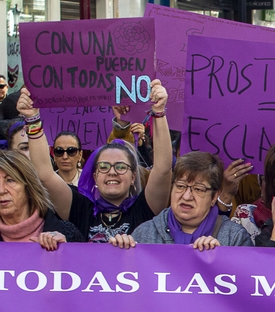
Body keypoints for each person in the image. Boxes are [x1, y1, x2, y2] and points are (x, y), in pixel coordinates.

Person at [18, 84, 172, 243]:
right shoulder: (81, 209)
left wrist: (159, 112)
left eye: (120, 166)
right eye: (104, 167)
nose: (112, 172)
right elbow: (44, 175)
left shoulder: (143, 209)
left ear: (133, 176)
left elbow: (163, 170)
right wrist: (33, 119)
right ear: (94, 176)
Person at [108, 152, 253, 249]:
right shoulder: (144, 234)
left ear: (214, 197)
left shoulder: (234, 237)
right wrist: (121, 254)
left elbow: (245, 288)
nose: (186, 196)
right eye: (181, 186)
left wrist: (221, 258)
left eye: (198, 189)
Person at [0, 150, 82, 248]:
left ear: (29, 186)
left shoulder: (67, 231)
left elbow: (85, 262)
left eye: (10, 180)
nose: (1, 190)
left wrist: (65, 251)